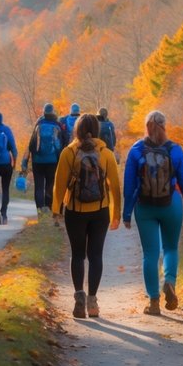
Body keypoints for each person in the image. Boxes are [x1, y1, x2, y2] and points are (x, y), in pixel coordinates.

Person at [122, 109, 183, 316]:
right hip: (171, 204)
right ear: (165, 126)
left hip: (144, 206)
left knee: (150, 253)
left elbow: (129, 185)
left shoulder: (137, 150)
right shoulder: (175, 150)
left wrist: (126, 213)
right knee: (171, 248)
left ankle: (154, 301)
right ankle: (170, 282)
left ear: (146, 127)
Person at [52, 113, 121, 319]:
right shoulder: (106, 154)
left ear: (77, 130)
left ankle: (79, 298)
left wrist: (56, 210)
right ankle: (92, 301)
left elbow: (59, 183)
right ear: (97, 130)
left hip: (75, 211)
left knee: (78, 255)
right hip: (100, 211)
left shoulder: (69, 153)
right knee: (96, 256)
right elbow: (115, 186)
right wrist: (116, 213)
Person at [20, 103, 63, 212]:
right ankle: (48, 207)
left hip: (37, 161)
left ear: (44, 112)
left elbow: (31, 145)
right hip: (52, 160)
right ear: (53, 112)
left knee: (39, 185)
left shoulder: (38, 125)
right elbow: (59, 145)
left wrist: (25, 161)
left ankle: (39, 209)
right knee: (50, 184)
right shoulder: (57, 125)